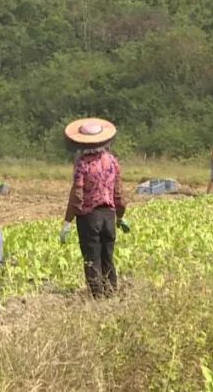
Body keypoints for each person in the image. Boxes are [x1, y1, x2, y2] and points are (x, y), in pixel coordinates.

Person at [61, 118, 127, 299]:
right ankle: (111, 293)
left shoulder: (82, 164)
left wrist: (68, 221)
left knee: (92, 258)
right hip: (109, 215)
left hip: (89, 217)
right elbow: (118, 192)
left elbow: (78, 195)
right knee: (108, 256)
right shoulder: (112, 161)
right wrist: (120, 216)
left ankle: (97, 298)